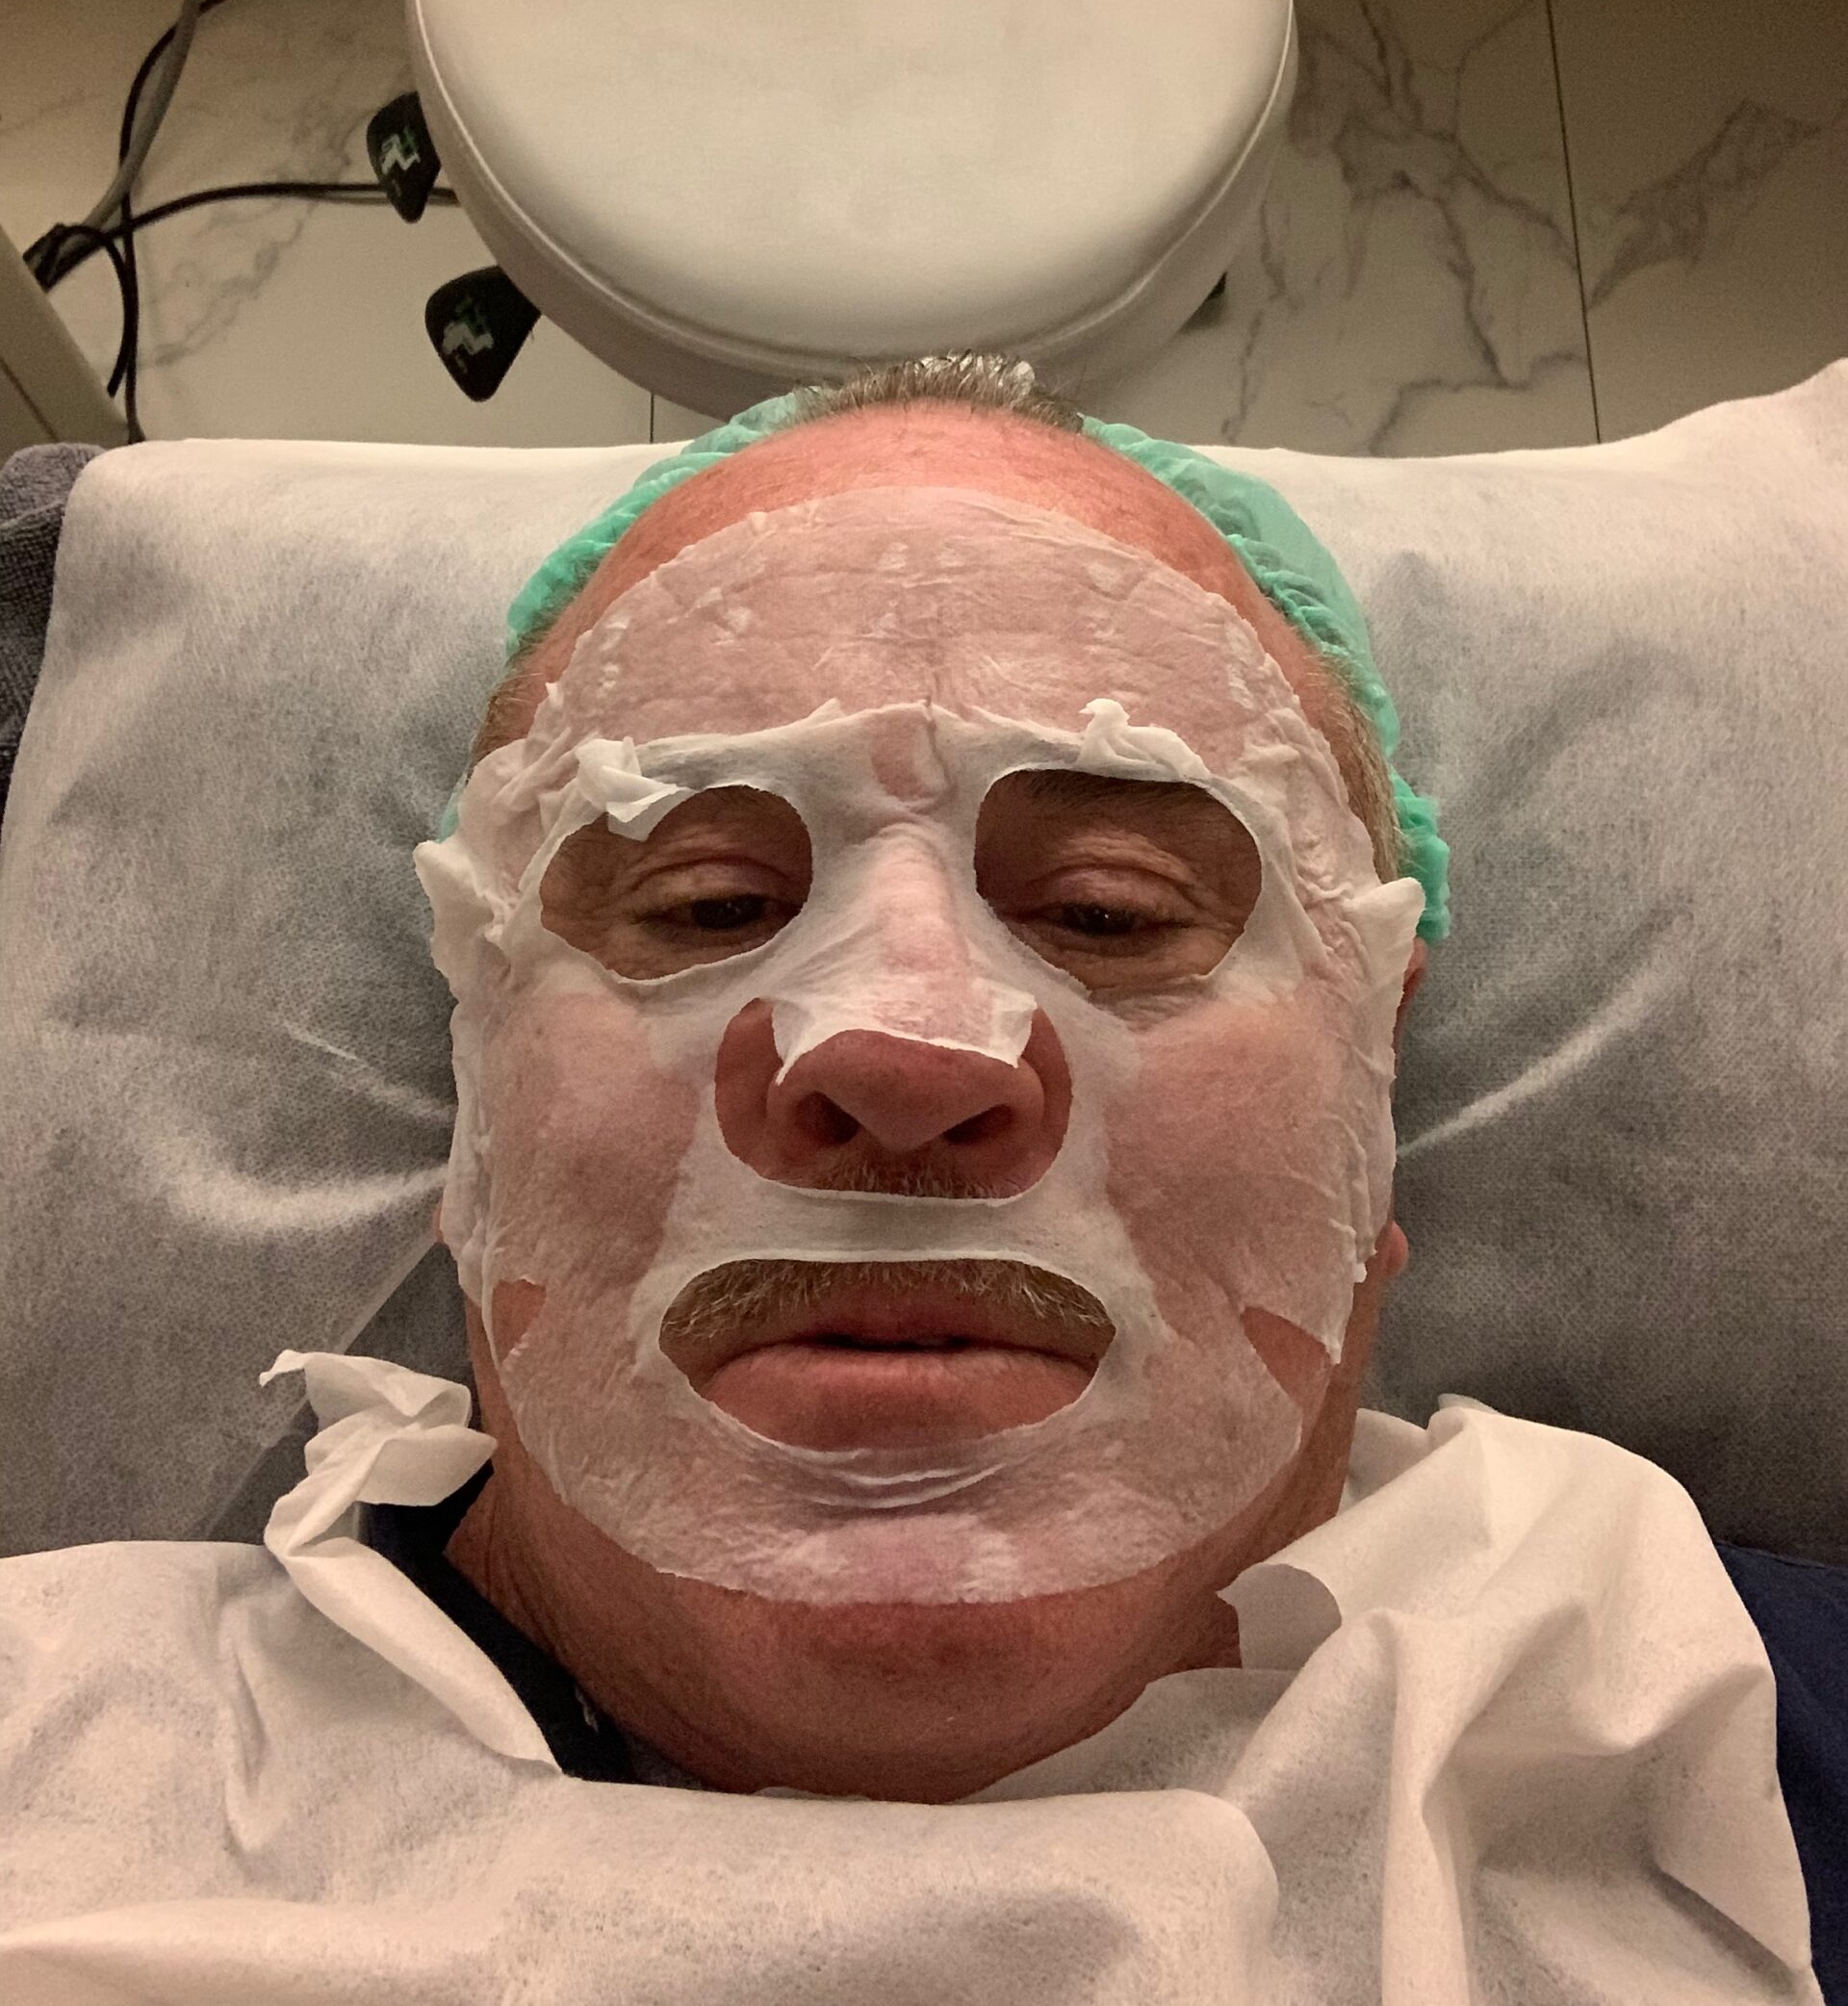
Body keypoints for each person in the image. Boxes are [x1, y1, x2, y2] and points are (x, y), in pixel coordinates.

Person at [0, 358, 1832, 2004]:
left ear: (1373, 1105)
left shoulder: (1725, 1734)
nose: (899, 1050)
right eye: (710, 902)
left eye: (1107, 912)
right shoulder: (53, 1749)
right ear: (477, 1116)